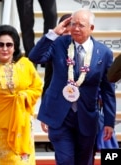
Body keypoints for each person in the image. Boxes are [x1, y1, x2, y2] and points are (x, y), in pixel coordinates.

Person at [29, 8, 116, 165]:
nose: (76, 28)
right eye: (73, 24)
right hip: (60, 116)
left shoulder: (104, 53)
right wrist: (53, 33)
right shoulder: (59, 43)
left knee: (85, 161)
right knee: (66, 160)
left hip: (87, 116)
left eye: (81, 25)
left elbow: (107, 90)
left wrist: (109, 121)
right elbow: (35, 57)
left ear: (91, 28)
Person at [0, 25, 43, 164]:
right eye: (1, 45)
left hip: (21, 126)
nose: (5, 49)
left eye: (9, 45)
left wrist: (23, 96)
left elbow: (37, 87)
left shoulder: (26, 64)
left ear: (15, 47)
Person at [41, 13, 71, 132]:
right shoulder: (54, 53)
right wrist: (45, 114)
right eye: (65, 31)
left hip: (84, 111)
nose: (69, 35)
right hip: (59, 110)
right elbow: (48, 84)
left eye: (71, 30)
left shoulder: (91, 50)